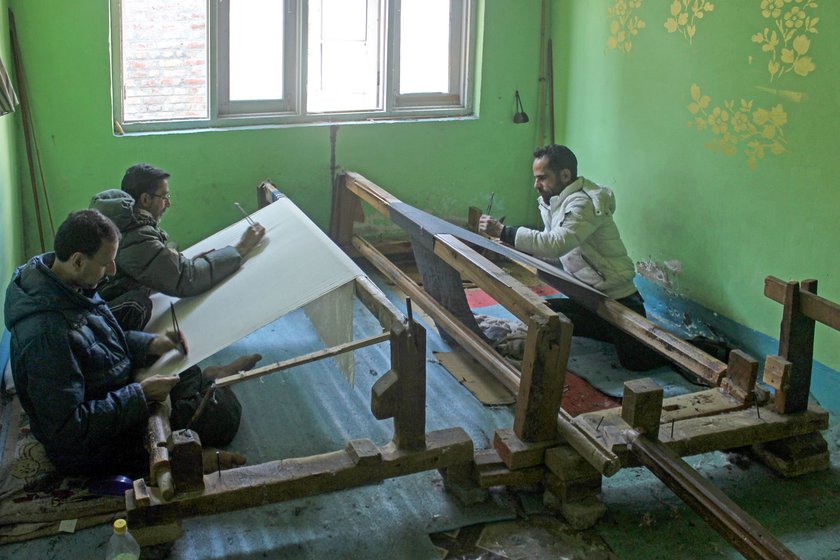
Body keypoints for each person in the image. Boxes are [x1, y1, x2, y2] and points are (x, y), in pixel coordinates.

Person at [4, 209, 258, 475]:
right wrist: (140, 395)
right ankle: (189, 456)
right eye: (106, 263)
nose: (112, 271)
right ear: (78, 261)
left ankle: (207, 378)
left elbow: (104, 340)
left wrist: (151, 344)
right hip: (89, 447)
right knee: (221, 415)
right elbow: (68, 429)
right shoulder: (46, 336)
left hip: (112, 391)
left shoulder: (68, 286)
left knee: (186, 372)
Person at [479, 144, 663, 371]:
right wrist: (511, 247)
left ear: (565, 175)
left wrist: (504, 232)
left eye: (542, 178)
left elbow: (556, 244)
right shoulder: (554, 200)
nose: (536, 184)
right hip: (586, 294)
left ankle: (705, 348)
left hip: (617, 298)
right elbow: (551, 249)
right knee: (544, 315)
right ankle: (609, 330)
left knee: (636, 363)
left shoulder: (584, 203)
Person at [89, 163, 266, 331]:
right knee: (138, 304)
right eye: (164, 196)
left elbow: (154, 269)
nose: (168, 203)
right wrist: (241, 248)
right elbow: (187, 278)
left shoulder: (120, 220)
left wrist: (185, 262)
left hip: (97, 304)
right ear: (145, 199)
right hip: (95, 318)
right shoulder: (134, 236)